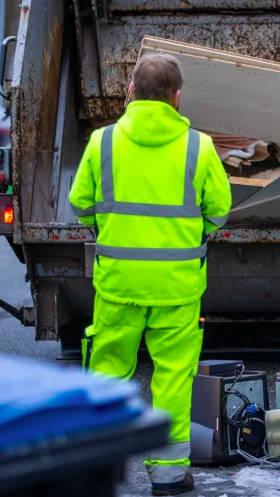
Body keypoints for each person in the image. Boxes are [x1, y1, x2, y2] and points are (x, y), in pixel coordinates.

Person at [69, 53, 232, 496]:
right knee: (173, 378)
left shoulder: (103, 142)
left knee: (106, 374)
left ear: (130, 93)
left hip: (119, 284)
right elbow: (219, 212)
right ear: (176, 98)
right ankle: (168, 474)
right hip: (177, 288)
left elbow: (80, 203)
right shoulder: (199, 147)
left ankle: (98, 468)